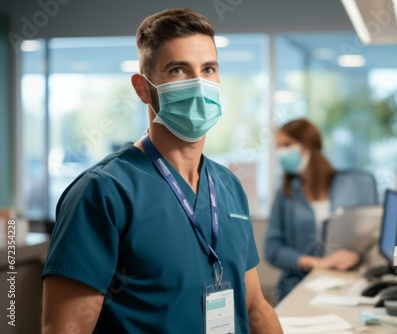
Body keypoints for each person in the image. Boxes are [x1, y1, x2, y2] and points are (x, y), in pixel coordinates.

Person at [41, 8, 282, 334]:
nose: (199, 84)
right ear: (143, 88)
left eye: (208, 69)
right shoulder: (103, 192)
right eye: (178, 70)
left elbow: (255, 305)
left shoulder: (228, 187)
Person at [264, 118, 378, 302]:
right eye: (278, 147)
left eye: (287, 145)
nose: (281, 152)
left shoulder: (350, 185)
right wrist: (319, 263)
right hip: (298, 285)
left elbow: (370, 234)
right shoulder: (285, 193)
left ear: (308, 145)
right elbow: (272, 249)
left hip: (348, 280)